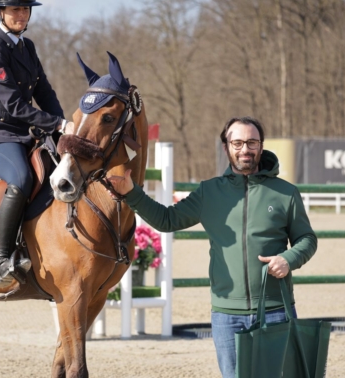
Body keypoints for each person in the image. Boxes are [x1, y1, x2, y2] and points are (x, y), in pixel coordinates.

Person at [107, 117, 317, 377]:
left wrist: (288, 259)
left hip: (275, 310)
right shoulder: (209, 193)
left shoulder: (285, 193)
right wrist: (131, 192)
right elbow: (167, 219)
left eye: (252, 142)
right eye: (237, 142)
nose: (245, 149)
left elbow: (307, 239)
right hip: (227, 316)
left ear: (261, 146)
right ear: (226, 146)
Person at [0, 0, 72, 288]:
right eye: (15, 9)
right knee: (21, 178)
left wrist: (64, 123)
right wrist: (55, 124)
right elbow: (14, 104)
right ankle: (2, 259)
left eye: (25, 9)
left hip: (25, 130)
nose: (21, 14)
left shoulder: (26, 47)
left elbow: (44, 91)